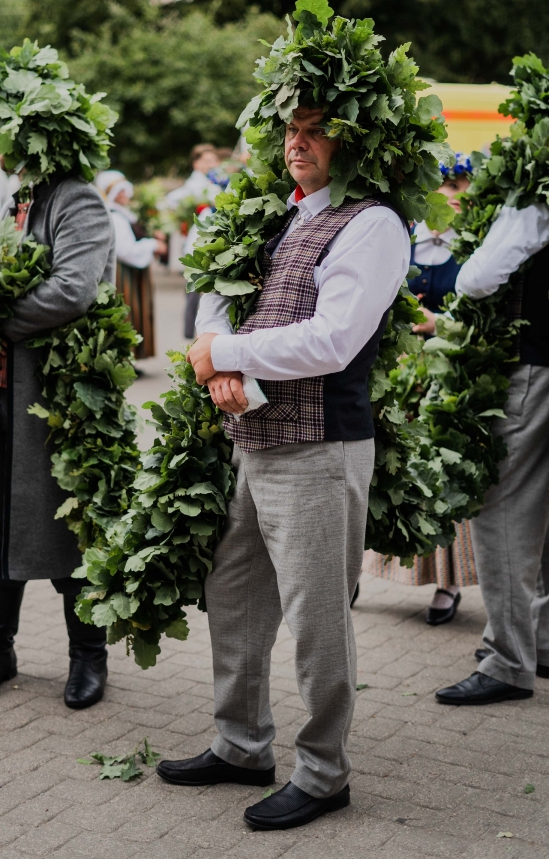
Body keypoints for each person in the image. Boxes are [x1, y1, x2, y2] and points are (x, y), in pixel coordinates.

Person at [157, 105, 410, 830]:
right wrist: (218, 360)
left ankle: (325, 774)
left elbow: (333, 339)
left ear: (353, 141)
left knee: (316, 616)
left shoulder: (373, 224)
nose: (297, 142)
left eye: (316, 129)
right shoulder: (279, 213)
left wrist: (229, 354)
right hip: (254, 439)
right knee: (233, 592)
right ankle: (240, 746)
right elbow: (217, 294)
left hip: (321, 446)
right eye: (291, 130)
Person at [0, 161, 115, 711]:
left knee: (69, 522)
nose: (0, 150)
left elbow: (72, 290)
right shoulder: (19, 198)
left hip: (61, 397)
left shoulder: (77, 199)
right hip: (4, 387)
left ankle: (88, 654)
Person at [435, 188, 549, 705]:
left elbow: (477, 279)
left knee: (504, 508)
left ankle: (508, 661)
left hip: (533, 365)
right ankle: (540, 641)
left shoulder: (533, 193)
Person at [363, 156, 478, 625]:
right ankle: (360, 567)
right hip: (396, 372)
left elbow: (480, 317)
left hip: (447, 378)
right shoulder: (402, 240)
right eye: (446, 186)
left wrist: (439, 323)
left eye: (461, 187)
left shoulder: (472, 249)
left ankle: (448, 581)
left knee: (441, 472)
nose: (454, 195)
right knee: (384, 465)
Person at [96, 170, 167, 359]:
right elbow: (125, 250)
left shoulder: (124, 214)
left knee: (133, 313)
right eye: (119, 191)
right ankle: (124, 356)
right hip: (123, 273)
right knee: (127, 313)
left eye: (124, 190)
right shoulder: (115, 216)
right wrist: (153, 245)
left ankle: (130, 356)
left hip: (130, 271)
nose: (124, 194)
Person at [165, 144, 223, 338]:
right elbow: (171, 200)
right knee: (196, 287)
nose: (211, 164)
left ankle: (195, 333)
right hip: (198, 238)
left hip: (209, 238)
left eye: (214, 160)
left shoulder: (214, 180)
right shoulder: (197, 184)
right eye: (207, 161)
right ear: (196, 164)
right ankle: (192, 334)